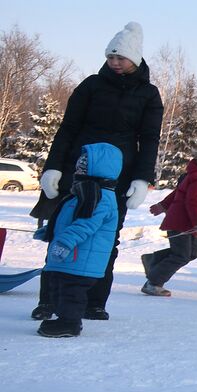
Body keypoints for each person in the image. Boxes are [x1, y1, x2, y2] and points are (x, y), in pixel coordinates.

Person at [31, 21, 163, 322]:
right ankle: (48, 301)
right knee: (61, 231)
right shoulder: (91, 85)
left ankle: (94, 301)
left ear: (135, 59)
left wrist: (142, 178)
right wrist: (53, 168)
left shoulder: (149, 95)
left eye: (121, 57)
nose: (115, 62)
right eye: (110, 57)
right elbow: (68, 129)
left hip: (117, 176)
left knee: (106, 236)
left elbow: (150, 138)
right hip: (77, 169)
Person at [33, 143, 122, 338]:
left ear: (100, 168)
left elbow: (86, 224)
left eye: (84, 165)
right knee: (57, 287)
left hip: (80, 258)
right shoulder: (85, 191)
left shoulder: (98, 196)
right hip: (72, 257)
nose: (78, 168)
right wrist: (51, 231)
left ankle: (70, 323)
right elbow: (69, 220)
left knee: (71, 292)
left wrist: (64, 242)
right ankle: (62, 319)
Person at [141, 141, 197, 296]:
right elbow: (192, 201)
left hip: (189, 222)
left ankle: (153, 260)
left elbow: (179, 192)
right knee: (181, 255)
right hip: (182, 222)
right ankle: (153, 283)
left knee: (193, 252)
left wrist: (163, 205)